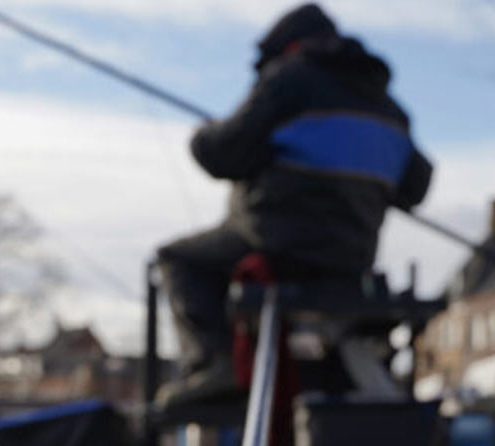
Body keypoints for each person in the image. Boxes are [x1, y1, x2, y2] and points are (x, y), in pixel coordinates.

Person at [156, 3, 433, 408]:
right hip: (351, 260)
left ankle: (214, 363)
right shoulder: (390, 109)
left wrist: (203, 135)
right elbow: (416, 187)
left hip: (275, 245)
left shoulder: (288, 79)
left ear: (289, 47)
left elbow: (223, 154)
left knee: (179, 259)